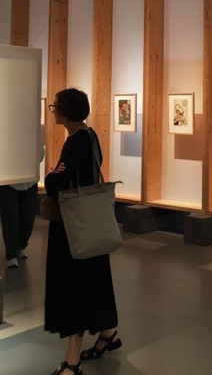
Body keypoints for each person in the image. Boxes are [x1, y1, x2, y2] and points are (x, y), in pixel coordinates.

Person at [43, 88, 121, 375]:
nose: (54, 112)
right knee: (94, 278)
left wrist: (51, 175)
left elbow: (56, 184)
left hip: (72, 227)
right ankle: (108, 333)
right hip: (90, 224)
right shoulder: (90, 135)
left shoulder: (76, 142)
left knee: (72, 287)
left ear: (64, 113)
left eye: (55, 108)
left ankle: (72, 360)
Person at [0, 144, 44, 268]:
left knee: (27, 215)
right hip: (8, 179)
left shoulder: (32, 130)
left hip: (29, 179)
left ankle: (22, 245)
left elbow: (40, 153)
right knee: (10, 217)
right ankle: (11, 253)